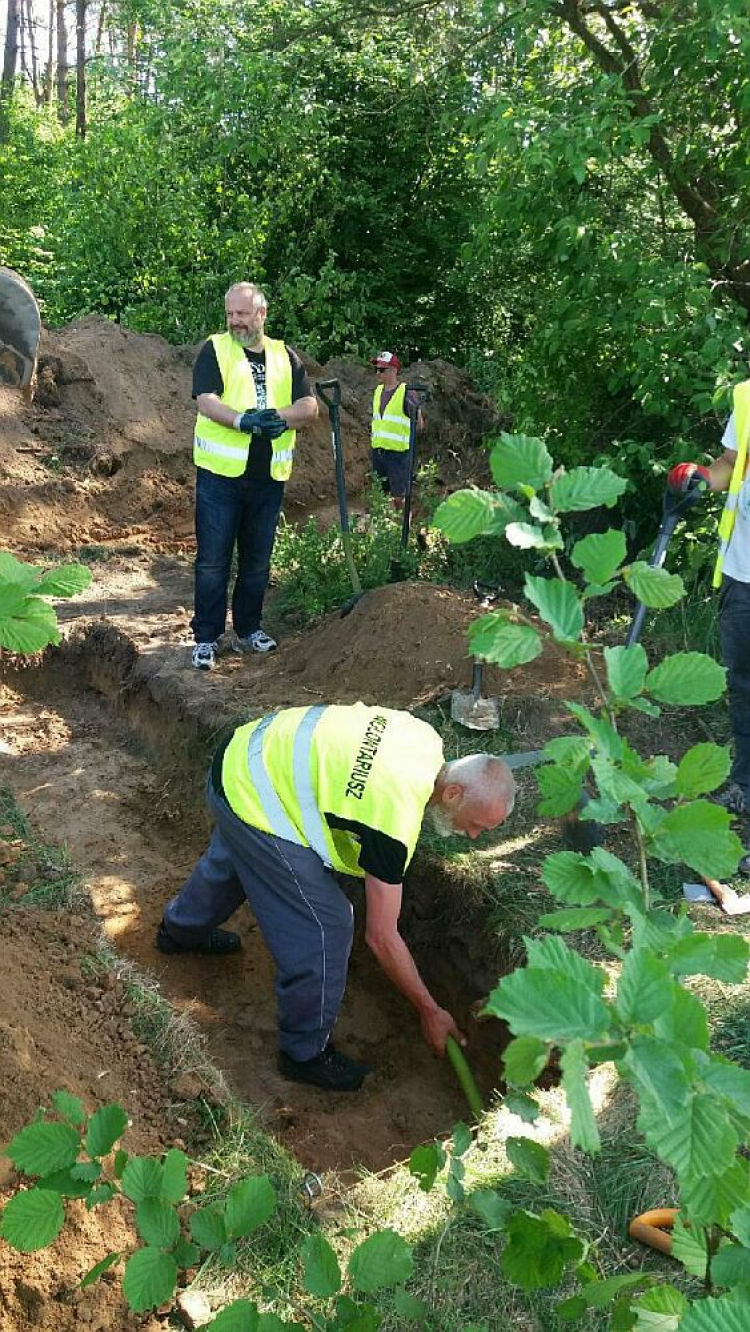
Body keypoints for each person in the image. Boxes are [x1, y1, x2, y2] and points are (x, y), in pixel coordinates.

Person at [156, 702, 516, 1091]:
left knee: (237, 855)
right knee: (327, 926)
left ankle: (180, 931)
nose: (475, 836)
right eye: (478, 825)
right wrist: (429, 1010)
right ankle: (303, 1053)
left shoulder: (422, 738)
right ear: (453, 793)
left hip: (241, 760)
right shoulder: (392, 820)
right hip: (256, 789)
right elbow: (381, 936)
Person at [190, 282, 318, 671]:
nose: (234, 321)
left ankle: (249, 628)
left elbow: (309, 406)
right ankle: (207, 637)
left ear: (261, 313)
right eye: (230, 314)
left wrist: (278, 419)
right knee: (213, 562)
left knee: (257, 562)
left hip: (267, 477)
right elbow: (206, 400)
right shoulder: (214, 349)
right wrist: (243, 420)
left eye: (242, 314)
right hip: (220, 477)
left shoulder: (284, 355)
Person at [668, 377, 750, 843]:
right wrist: (699, 476)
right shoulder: (747, 397)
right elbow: (729, 464)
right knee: (742, 687)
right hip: (743, 573)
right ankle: (744, 786)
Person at [369, 350, 424, 510]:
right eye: (377, 369)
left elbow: (419, 424)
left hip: (398, 455)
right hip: (379, 452)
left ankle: (405, 527)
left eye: (382, 370)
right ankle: (388, 527)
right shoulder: (378, 391)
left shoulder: (406, 392)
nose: (378, 373)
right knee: (381, 493)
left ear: (393, 370)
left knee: (399, 496)